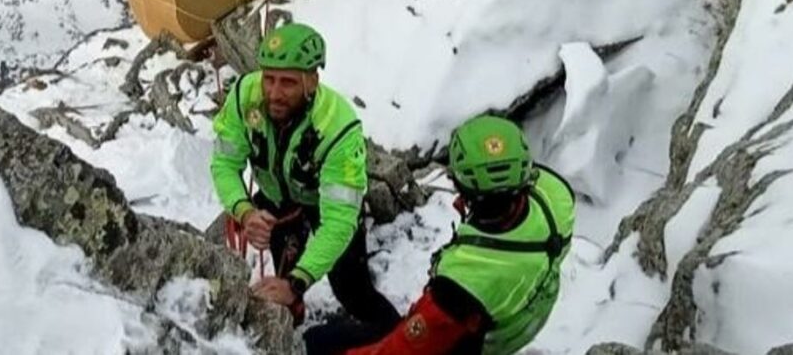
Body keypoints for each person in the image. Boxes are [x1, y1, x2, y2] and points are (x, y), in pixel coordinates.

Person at [304, 115, 576, 355]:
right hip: (515, 324)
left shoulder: (463, 284)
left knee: (319, 342)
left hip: (466, 340)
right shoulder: (557, 198)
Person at [210, 22, 397, 326]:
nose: (274, 93)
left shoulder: (339, 127)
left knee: (353, 291)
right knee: (281, 280)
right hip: (278, 201)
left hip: (326, 206)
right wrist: (245, 212)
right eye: (269, 79)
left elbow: (339, 220)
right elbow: (224, 164)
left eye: (288, 83)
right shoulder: (245, 96)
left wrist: (298, 282)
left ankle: (399, 338)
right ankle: (290, 324)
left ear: (312, 81)